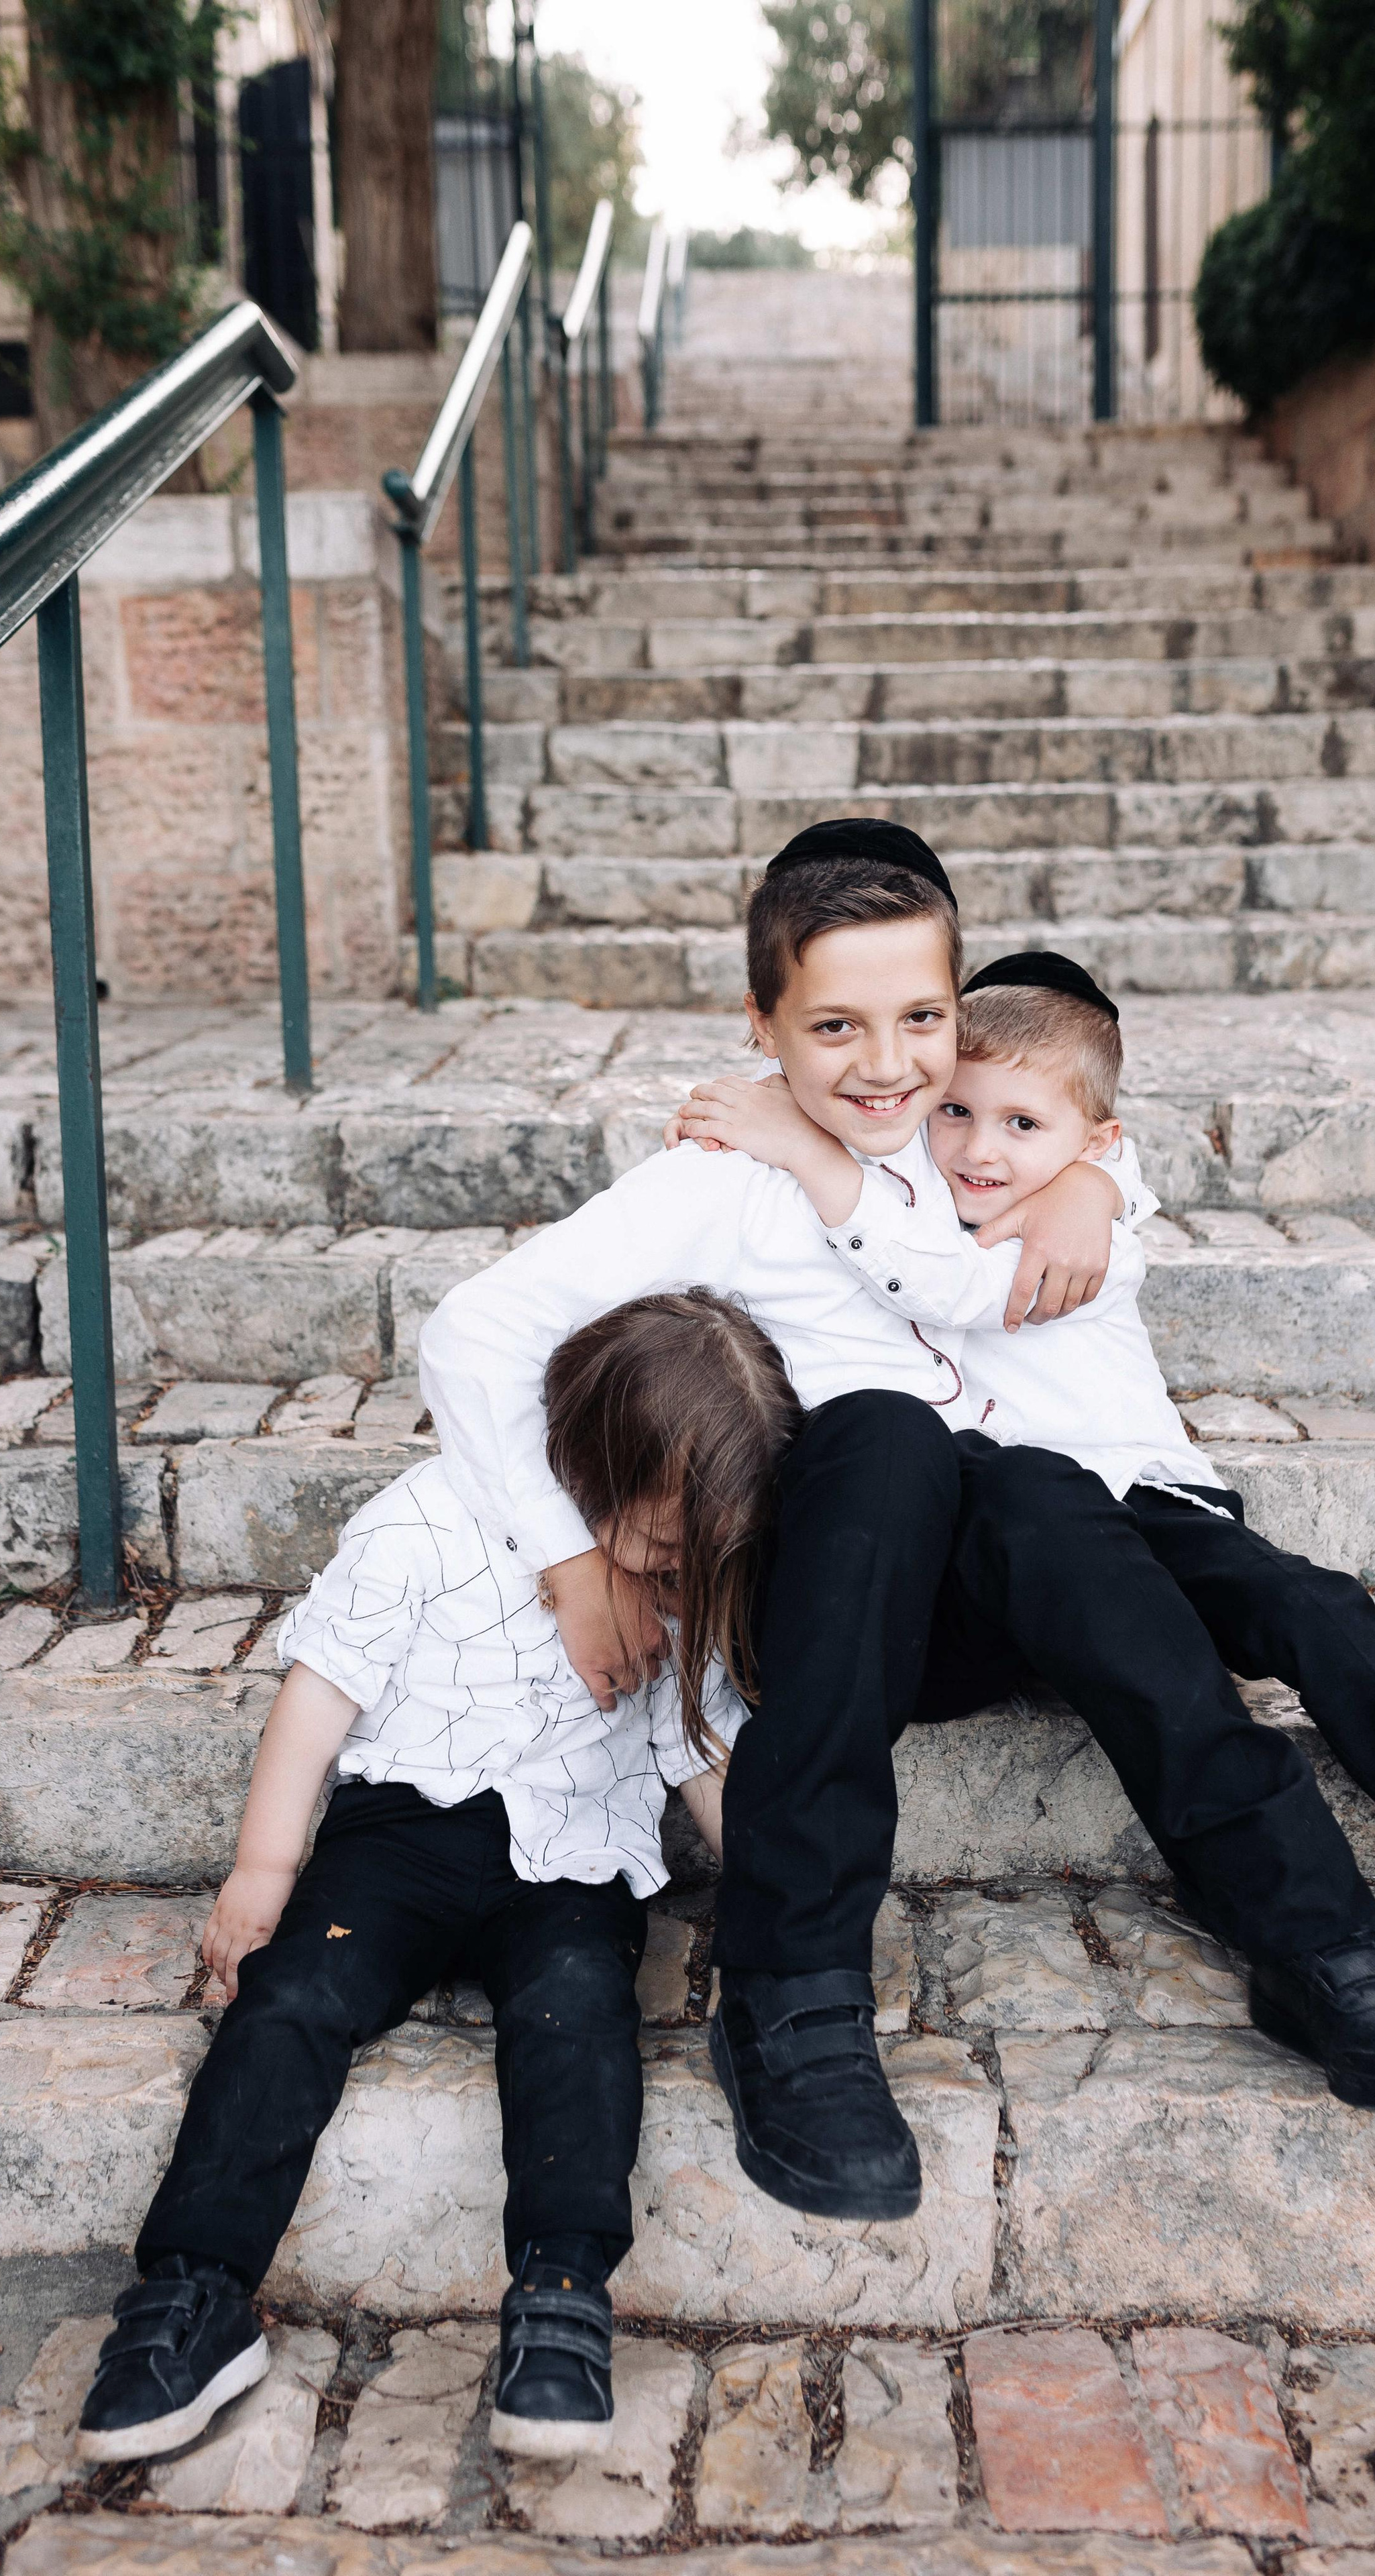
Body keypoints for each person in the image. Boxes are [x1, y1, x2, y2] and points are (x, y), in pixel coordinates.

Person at [673, 947, 1375, 2110]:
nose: (976, 1147)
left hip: (1146, 1506)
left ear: (1088, 1144)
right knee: (1028, 1500)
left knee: (1311, 1605)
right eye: (954, 1114)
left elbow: (1065, 1151)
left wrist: (1096, 1185)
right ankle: (1328, 1945)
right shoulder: (908, 1201)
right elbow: (875, 1097)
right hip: (992, 1539)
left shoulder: (1072, 1218)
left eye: (1015, 1127)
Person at [420, 820, 1144, 2226]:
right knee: (876, 1436)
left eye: (918, 1020)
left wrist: (1099, 1182)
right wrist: (571, 1560)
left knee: (1175, 1560)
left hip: (983, 1583)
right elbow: (474, 1330)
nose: (885, 1065)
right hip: (826, 1602)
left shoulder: (970, 1141)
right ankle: (795, 1987)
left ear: (953, 1013)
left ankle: (1317, 1933)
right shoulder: (725, 1176)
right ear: (764, 1031)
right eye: (833, 1027)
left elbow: (1086, 1113)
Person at [76, 1289, 796, 2467]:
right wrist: (266, 1866)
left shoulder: (684, 1594)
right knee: (295, 1997)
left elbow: (700, 1760)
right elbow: (321, 1695)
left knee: (577, 2008)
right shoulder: (425, 1520)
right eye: (669, 1548)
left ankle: (562, 2295)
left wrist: (778, 1888)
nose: (679, 1575)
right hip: (397, 1841)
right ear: (592, 1462)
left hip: (573, 1860)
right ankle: (194, 2293)